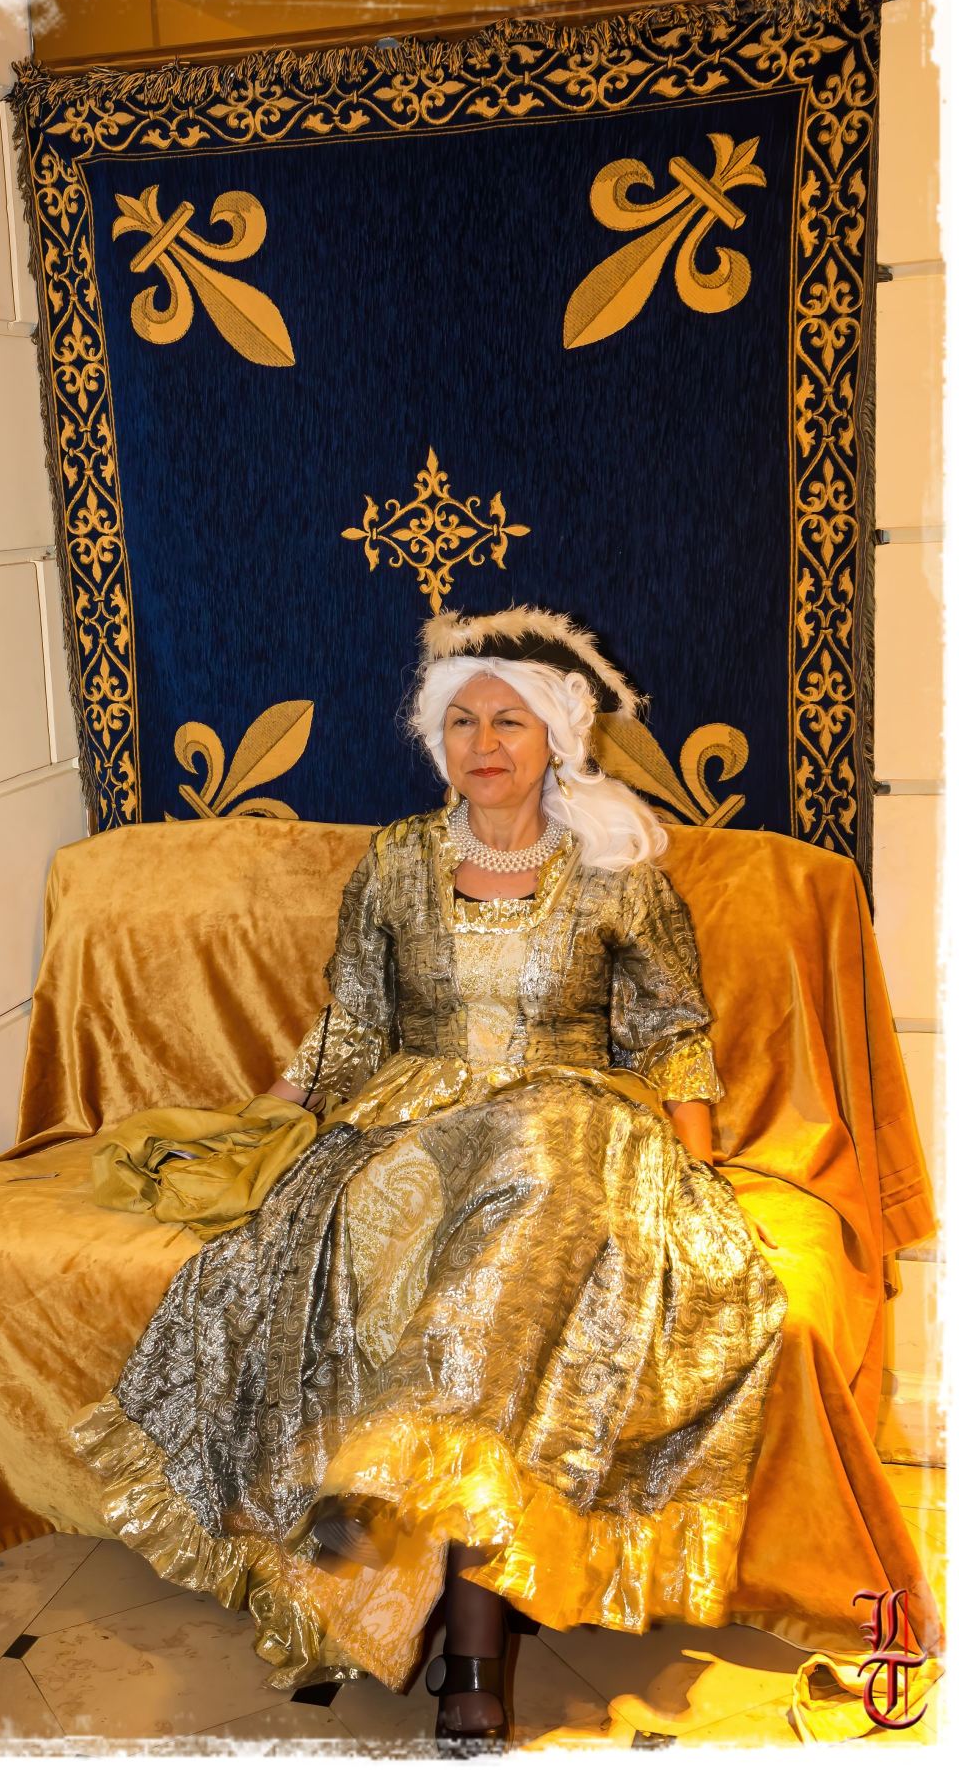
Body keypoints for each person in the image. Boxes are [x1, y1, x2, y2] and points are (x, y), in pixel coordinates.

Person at [69, 604, 789, 1755]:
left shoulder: (617, 870)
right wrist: (272, 1122)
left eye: (510, 721)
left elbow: (670, 1032)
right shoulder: (398, 860)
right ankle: (426, 1564)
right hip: (411, 1121)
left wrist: (700, 1166)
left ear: (558, 736)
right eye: (463, 722)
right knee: (387, 1231)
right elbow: (354, 1022)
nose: (484, 743)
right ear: (435, 737)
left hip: (566, 1116)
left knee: (533, 1201)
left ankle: (467, 1642)